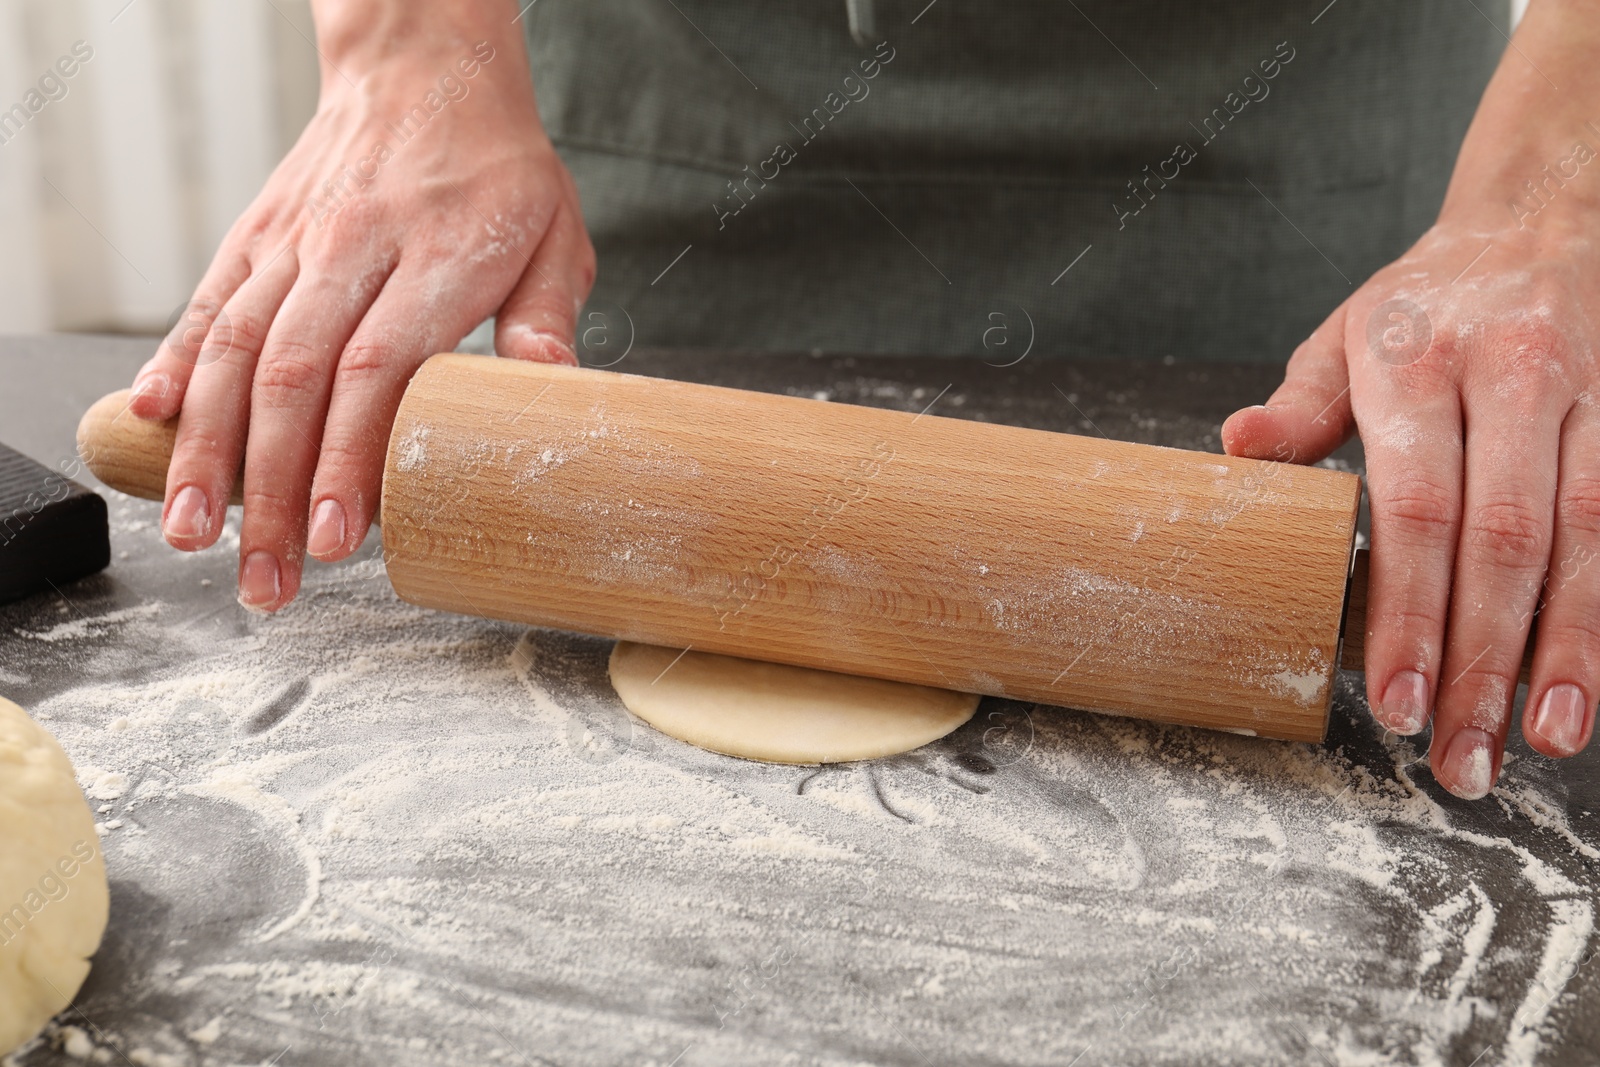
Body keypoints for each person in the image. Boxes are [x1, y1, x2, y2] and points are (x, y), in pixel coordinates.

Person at [123, 0, 1597, 800]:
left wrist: (1559, 192)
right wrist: (409, 50)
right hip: (677, 125)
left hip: (1288, 161)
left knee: (1372, 536)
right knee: (601, 461)